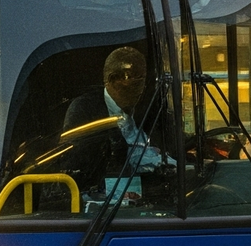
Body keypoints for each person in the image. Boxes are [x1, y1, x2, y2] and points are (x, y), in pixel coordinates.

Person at [60, 45, 171, 198]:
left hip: (151, 194)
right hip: (106, 202)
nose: (141, 88)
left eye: (143, 80)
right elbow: (80, 164)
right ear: (113, 80)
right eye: (134, 79)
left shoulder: (148, 107)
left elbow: (168, 138)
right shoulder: (85, 110)